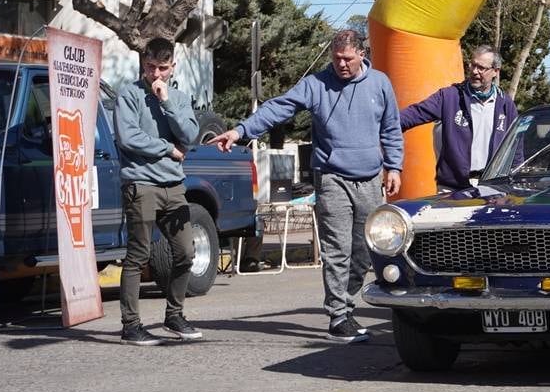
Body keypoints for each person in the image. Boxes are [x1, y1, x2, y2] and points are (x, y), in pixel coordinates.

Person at [209, 30, 403, 343]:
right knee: (336, 248)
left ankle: (347, 303)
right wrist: (241, 130)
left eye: (348, 59)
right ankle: (339, 316)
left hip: (369, 178)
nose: (341, 64)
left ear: (362, 55)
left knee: (367, 249)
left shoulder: (380, 84)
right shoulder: (316, 85)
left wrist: (394, 165)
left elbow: (392, 128)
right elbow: (278, 107)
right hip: (331, 177)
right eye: (337, 58)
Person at [114, 38, 201, 346]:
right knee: (139, 254)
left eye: (162, 68)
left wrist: (166, 102)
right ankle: (131, 325)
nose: (155, 74)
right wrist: (167, 148)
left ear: (172, 67)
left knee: (186, 252)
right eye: (150, 67)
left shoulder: (179, 97)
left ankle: (174, 316)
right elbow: (128, 137)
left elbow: (190, 135)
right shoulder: (130, 94)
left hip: (174, 186)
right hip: (141, 184)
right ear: (143, 64)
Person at [399, 45, 517, 192]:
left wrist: (516, 184)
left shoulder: (506, 104)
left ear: (495, 71)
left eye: (481, 68)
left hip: (492, 188)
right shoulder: (449, 96)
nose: (474, 71)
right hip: (452, 188)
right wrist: (381, 124)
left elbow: (516, 149)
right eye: (473, 65)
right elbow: (414, 114)